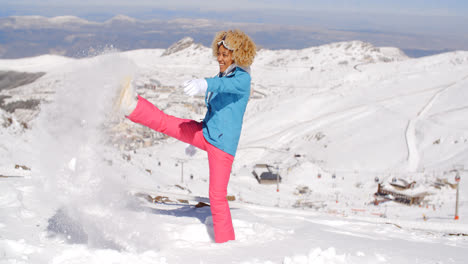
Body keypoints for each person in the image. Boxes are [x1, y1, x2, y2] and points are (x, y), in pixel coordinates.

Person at [115, 29, 256, 243]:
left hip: (222, 148)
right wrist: (195, 141)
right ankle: (130, 104)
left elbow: (223, 86)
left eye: (225, 55)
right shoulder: (225, 73)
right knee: (166, 123)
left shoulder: (241, 79)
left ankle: (227, 244)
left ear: (238, 55)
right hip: (206, 134)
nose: (220, 58)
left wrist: (204, 84)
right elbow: (217, 110)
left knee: (217, 197)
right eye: (218, 54)